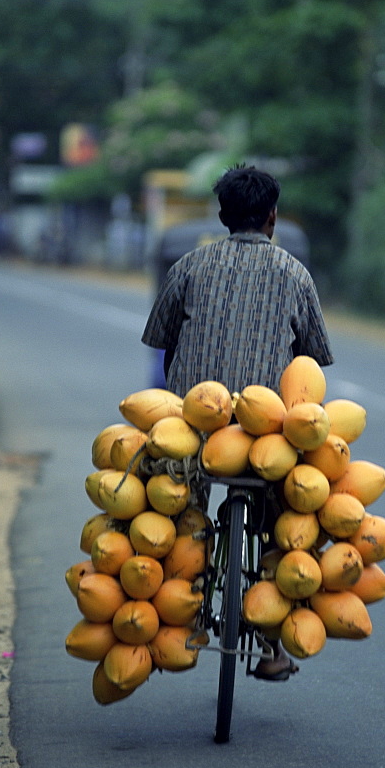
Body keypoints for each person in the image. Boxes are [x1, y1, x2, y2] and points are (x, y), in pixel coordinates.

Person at [142, 164, 334, 680]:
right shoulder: (295, 274)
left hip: (193, 429)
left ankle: (178, 620)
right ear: (272, 216)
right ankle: (273, 647)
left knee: (176, 519)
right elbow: (313, 361)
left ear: (223, 216)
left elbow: (161, 339)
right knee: (288, 533)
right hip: (268, 436)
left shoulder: (189, 265)